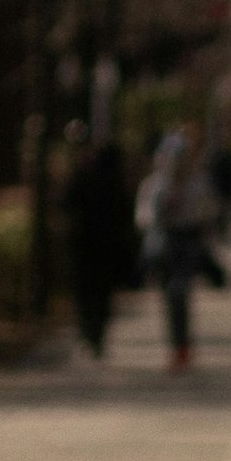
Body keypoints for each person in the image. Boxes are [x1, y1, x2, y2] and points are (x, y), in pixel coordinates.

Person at [138, 125, 224, 371]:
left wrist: (193, 214)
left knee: (180, 293)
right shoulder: (155, 186)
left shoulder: (198, 183)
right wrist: (161, 211)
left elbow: (210, 210)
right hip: (165, 244)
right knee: (170, 297)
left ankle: (182, 346)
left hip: (188, 241)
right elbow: (143, 217)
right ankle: (177, 346)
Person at [62, 122, 136, 359]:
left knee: (86, 291)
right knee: (99, 293)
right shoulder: (112, 181)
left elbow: (66, 204)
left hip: (87, 245)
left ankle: (90, 331)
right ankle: (95, 332)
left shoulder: (84, 176)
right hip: (101, 246)